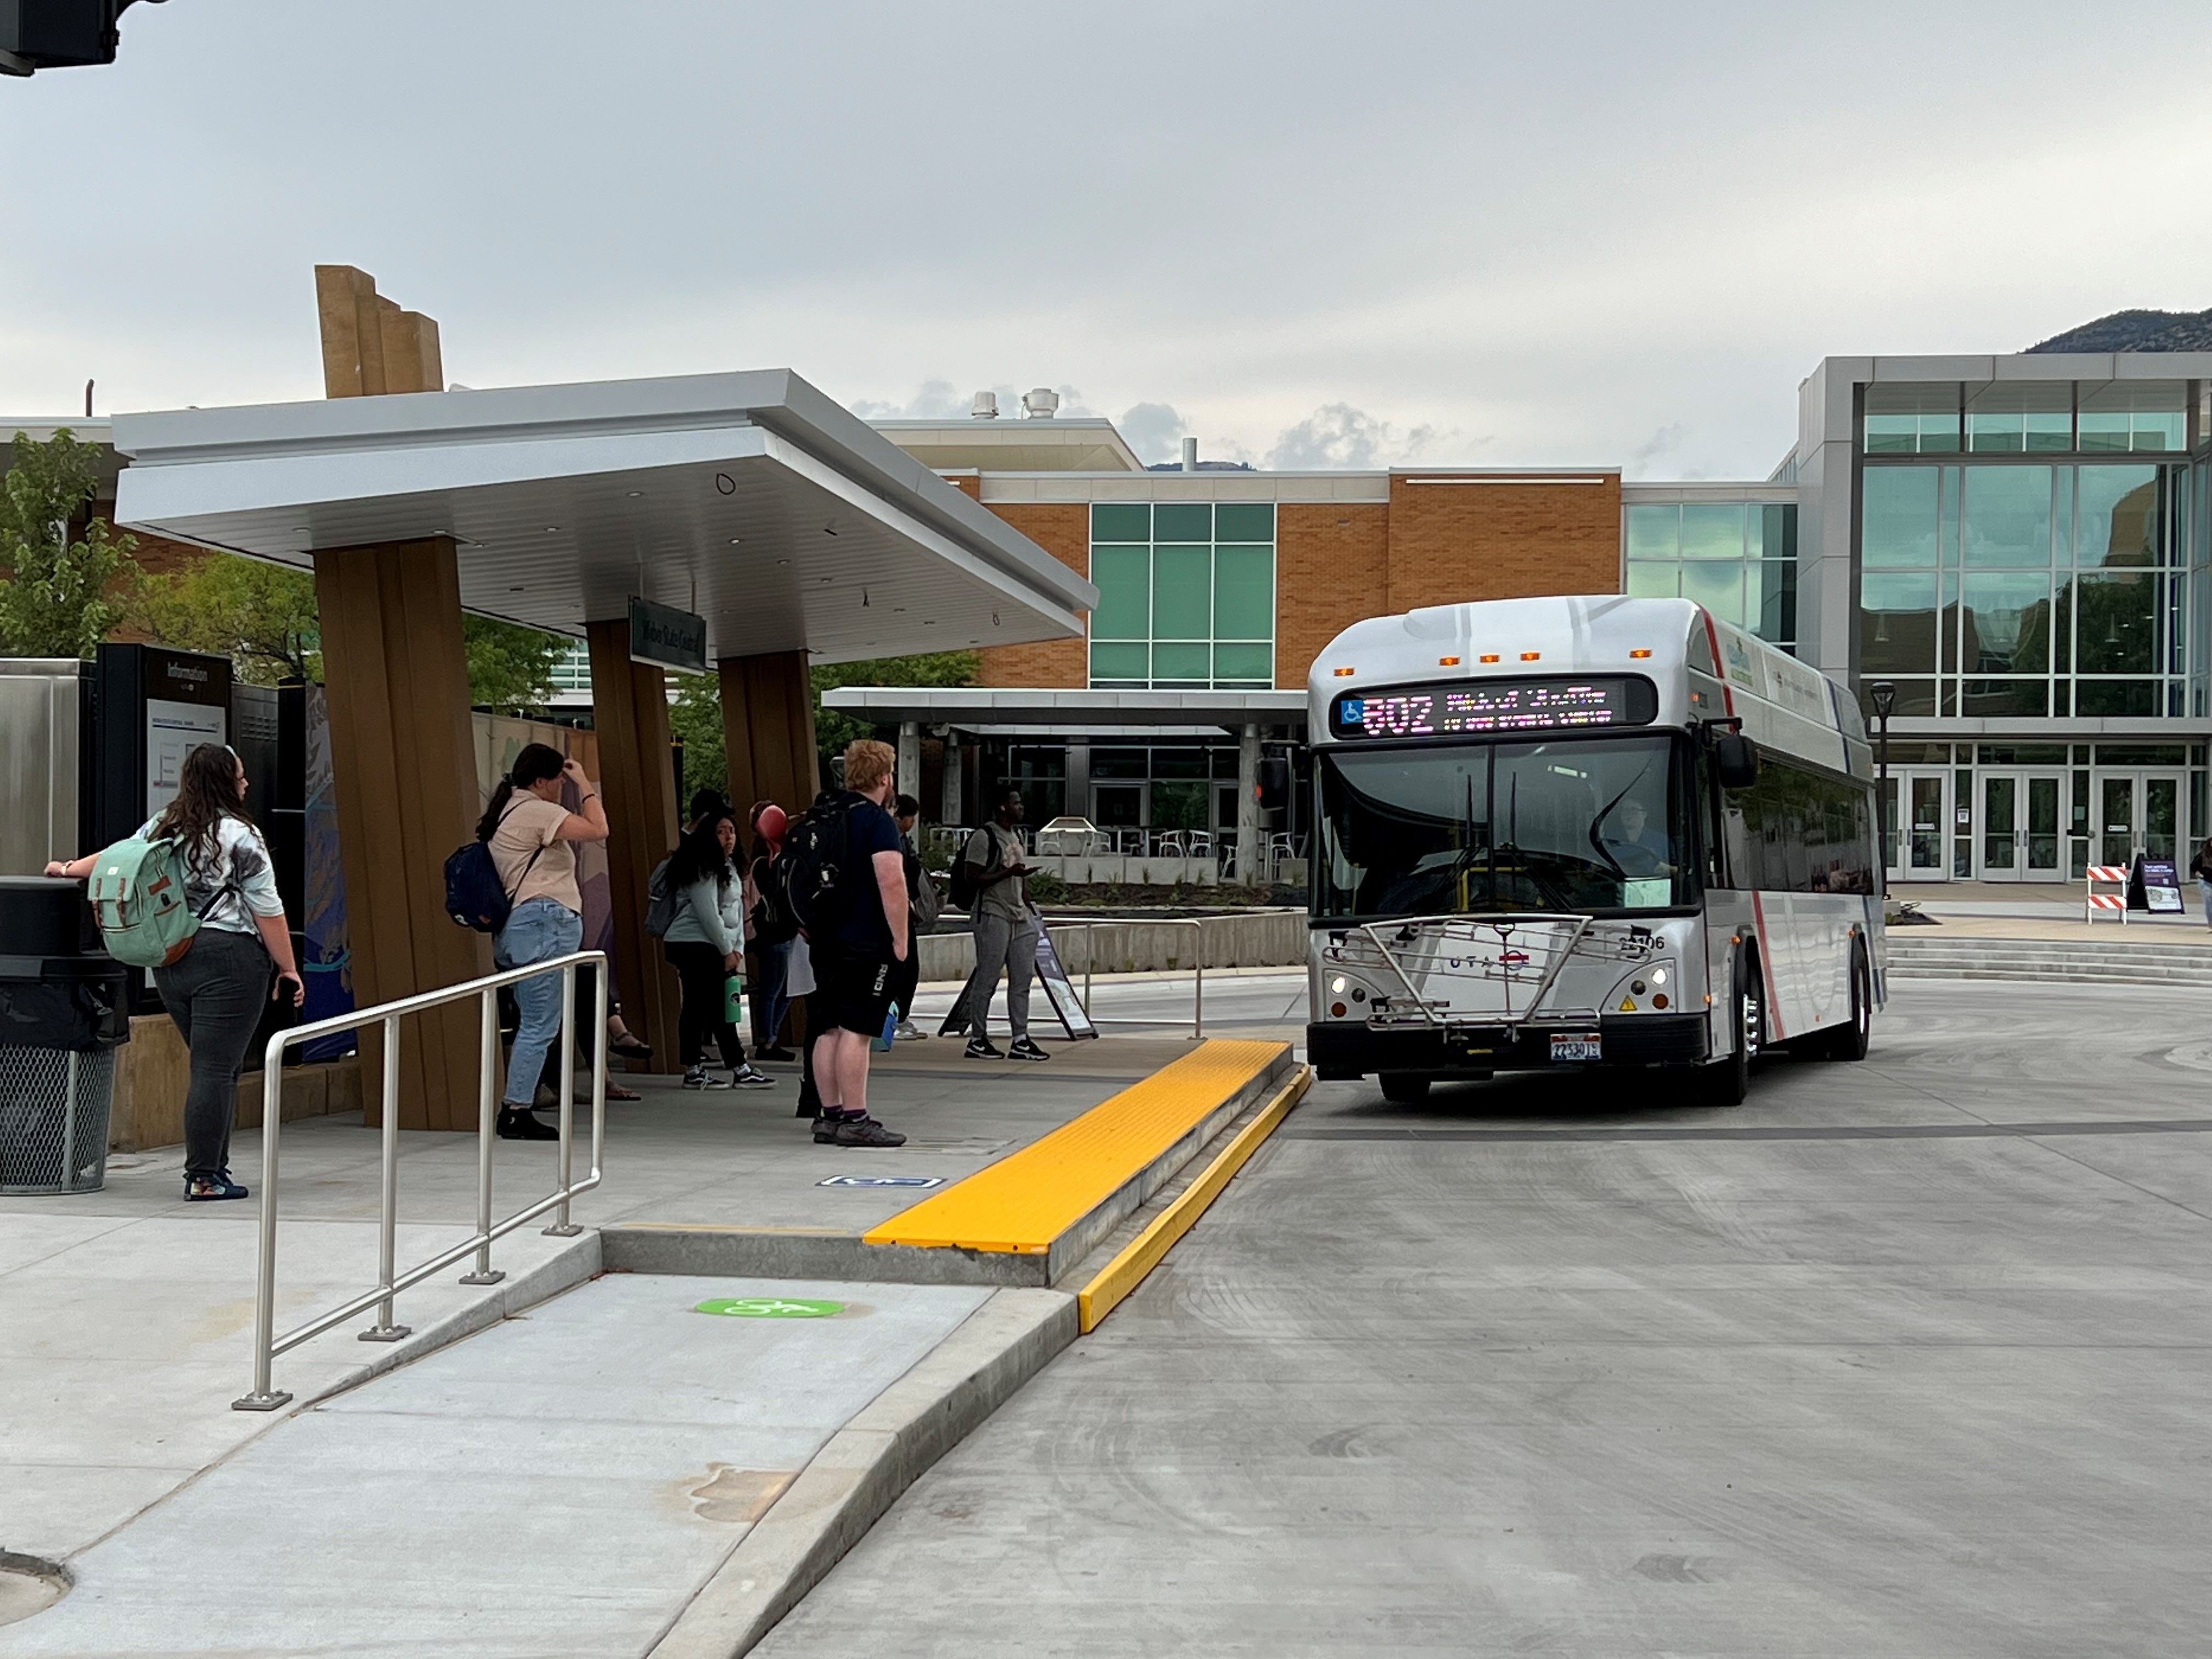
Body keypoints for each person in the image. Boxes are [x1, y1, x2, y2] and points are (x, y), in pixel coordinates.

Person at [48, 743, 304, 1202]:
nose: (246, 784)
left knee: (210, 1068)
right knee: (215, 1069)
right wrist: (288, 967)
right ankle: (205, 1176)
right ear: (227, 781)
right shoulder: (241, 836)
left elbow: (113, 858)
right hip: (230, 960)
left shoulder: (166, 823)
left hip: (172, 960)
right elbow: (268, 909)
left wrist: (67, 869)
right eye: (241, 777)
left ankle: (214, 1169)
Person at [479, 743, 608, 1140]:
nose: (560, 788)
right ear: (540, 781)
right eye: (557, 781)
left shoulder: (509, 810)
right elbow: (598, 829)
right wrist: (584, 780)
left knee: (534, 1021)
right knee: (539, 1024)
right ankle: (515, 1110)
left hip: (527, 925)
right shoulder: (537, 810)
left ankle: (518, 1104)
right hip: (543, 923)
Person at [805, 740, 910, 1148]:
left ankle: (829, 1116)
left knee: (828, 1026)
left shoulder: (828, 815)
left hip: (825, 939)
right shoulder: (877, 822)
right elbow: (892, 882)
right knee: (858, 1029)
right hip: (866, 941)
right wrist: (900, 939)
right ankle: (856, 1118)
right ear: (885, 777)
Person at [661, 808, 773, 1090]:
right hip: (693, 943)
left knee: (713, 1006)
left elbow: (735, 911)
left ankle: (724, 1067)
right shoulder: (703, 867)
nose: (728, 838)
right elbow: (707, 912)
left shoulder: (730, 867)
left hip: (713, 945)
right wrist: (727, 950)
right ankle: (721, 1068)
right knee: (707, 1006)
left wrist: (735, 949)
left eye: (731, 831)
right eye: (720, 832)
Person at [957, 788, 1048, 1062]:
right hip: (993, 913)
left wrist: (1027, 898)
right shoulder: (984, 836)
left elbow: (1017, 873)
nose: (1021, 807)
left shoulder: (1016, 836)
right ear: (1002, 807)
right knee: (988, 976)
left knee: (1023, 978)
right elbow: (972, 878)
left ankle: (1020, 1038)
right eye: (1016, 802)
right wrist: (1009, 873)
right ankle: (978, 1038)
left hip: (1019, 914)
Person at [746, 802, 797, 1061]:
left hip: (777, 932)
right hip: (774, 932)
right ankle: (767, 1042)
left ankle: (770, 1038)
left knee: (782, 989)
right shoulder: (767, 862)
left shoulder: (767, 859)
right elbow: (778, 892)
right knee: (774, 990)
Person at [892, 793, 931, 1041]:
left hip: (904, 909)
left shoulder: (904, 840)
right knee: (902, 967)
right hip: (895, 912)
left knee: (909, 967)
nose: (913, 822)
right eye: (911, 818)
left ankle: (900, 1016)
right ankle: (895, 1018)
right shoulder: (892, 841)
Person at [1600, 794, 1674, 878]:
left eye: (1633, 810)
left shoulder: (1662, 841)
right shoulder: (1609, 839)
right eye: (1624, 810)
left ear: (1645, 814)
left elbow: (1675, 869)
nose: (1628, 814)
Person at [2191, 836, 2212, 930]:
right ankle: (2211, 924)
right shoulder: (2203, 855)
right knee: (2209, 903)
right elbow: (2194, 866)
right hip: (2206, 881)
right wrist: (2198, 874)